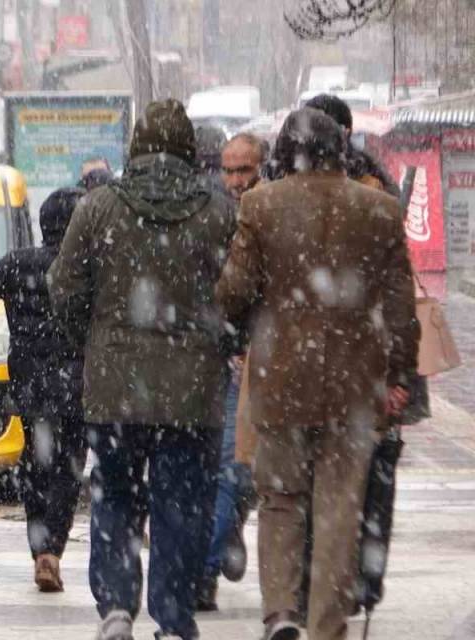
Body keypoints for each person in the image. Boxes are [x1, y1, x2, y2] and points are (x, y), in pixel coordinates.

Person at [216, 108, 418, 640]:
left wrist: (247, 315)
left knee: (281, 501)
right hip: (355, 387)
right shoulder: (379, 210)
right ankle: (328, 626)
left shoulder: (260, 206)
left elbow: (233, 293)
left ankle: (282, 612)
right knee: (337, 512)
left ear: (284, 154)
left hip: (282, 378)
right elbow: (400, 306)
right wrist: (399, 373)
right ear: (339, 152)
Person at [49, 99, 236, 640]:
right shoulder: (220, 212)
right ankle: (173, 617)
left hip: (114, 387)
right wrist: (220, 340)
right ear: (186, 149)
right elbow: (240, 292)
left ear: (135, 146)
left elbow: (65, 290)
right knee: (181, 503)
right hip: (193, 390)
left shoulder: (99, 207)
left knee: (115, 493)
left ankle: (115, 605)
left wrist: (93, 338)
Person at [0, 187, 88, 593]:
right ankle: (53, 551)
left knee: (34, 464)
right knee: (69, 468)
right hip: (77, 384)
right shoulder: (87, 267)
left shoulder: (20, 264)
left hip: (30, 383)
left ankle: (39, 545)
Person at [196, 131, 269, 612]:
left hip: (266, 359)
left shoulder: (269, 211)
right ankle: (206, 569)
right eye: (229, 169)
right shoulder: (213, 214)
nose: (236, 179)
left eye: (244, 169)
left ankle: (229, 532)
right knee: (229, 467)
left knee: (248, 473)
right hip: (222, 361)